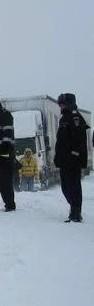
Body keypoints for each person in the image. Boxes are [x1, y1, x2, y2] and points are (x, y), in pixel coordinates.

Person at [54, 93, 89, 222]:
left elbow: (78, 141)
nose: (60, 107)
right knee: (65, 186)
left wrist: (74, 155)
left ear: (68, 103)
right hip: (65, 160)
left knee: (73, 186)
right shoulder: (65, 118)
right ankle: (73, 208)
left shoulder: (75, 118)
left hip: (72, 160)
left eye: (62, 104)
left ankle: (75, 212)